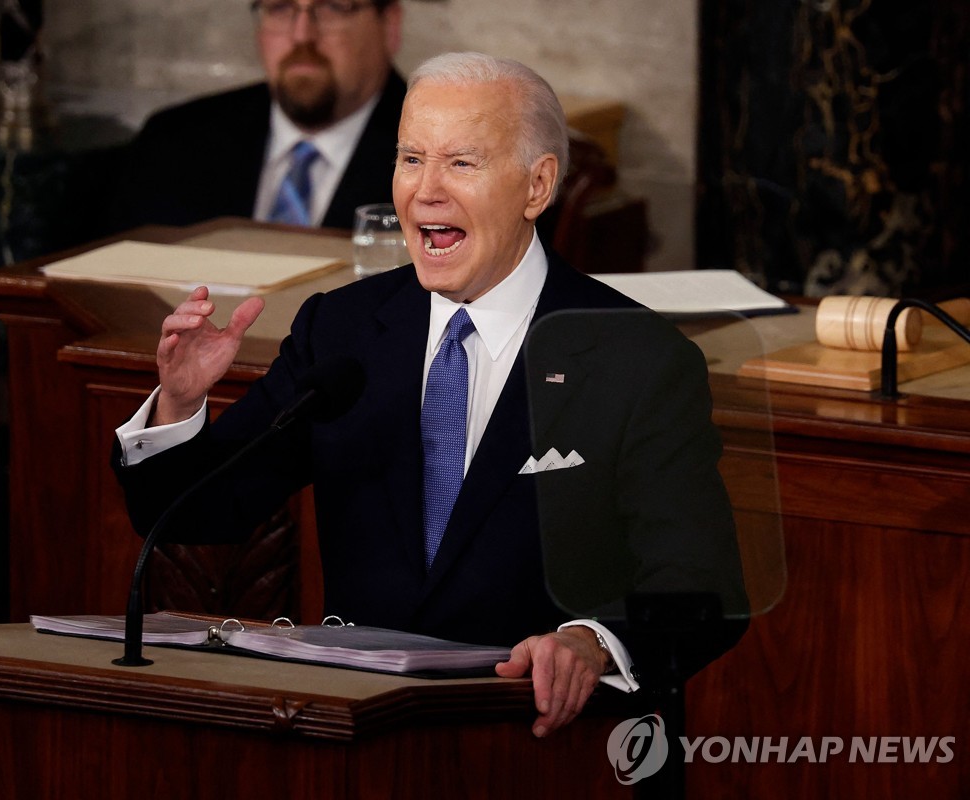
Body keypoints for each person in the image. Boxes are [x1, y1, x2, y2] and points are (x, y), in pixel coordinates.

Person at [112, 52, 746, 737]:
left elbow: (701, 585)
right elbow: (193, 511)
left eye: (461, 163)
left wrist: (592, 642)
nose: (425, 192)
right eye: (411, 159)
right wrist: (176, 404)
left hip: (533, 742)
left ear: (537, 187)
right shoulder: (344, 330)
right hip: (357, 736)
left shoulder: (636, 356)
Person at [110, 0, 405, 231]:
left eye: (333, 7)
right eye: (280, 7)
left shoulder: (437, 155)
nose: (302, 35)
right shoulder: (172, 141)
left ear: (390, 24)